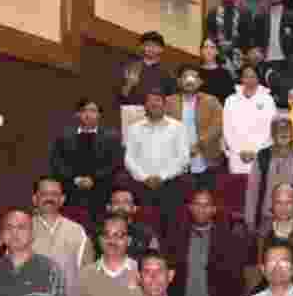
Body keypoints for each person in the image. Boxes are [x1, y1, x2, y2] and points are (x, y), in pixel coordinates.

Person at [124, 90, 192, 223]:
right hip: (142, 184)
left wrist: (162, 176)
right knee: (143, 223)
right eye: (150, 100)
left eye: (157, 100)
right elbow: (129, 158)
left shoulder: (178, 127)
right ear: (145, 106)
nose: (154, 104)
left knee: (170, 223)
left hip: (171, 184)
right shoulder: (134, 128)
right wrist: (145, 178)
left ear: (165, 105)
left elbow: (184, 158)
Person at [50, 98, 125, 219]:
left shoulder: (112, 137)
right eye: (84, 110)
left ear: (99, 114)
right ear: (77, 114)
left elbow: (115, 164)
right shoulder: (63, 137)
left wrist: (93, 179)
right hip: (71, 191)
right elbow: (57, 163)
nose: (88, 114)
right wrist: (76, 179)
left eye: (93, 111)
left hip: (102, 191)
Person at [29, 177, 94, 296]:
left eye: (54, 194)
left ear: (62, 199)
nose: (49, 198)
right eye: (44, 194)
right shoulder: (22, 229)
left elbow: (87, 276)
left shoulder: (77, 231)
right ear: (35, 199)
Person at [164, 67, 226, 186]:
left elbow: (219, 124)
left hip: (205, 156)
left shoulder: (212, 101)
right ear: (178, 81)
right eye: (185, 77)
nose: (189, 80)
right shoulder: (168, 101)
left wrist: (199, 144)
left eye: (194, 77)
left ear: (200, 82)